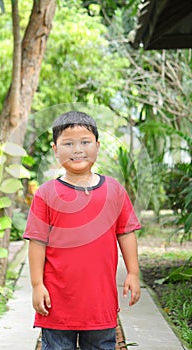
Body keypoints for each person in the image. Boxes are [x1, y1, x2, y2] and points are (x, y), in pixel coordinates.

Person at [23, 111, 141, 350]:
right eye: (68, 143)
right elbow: (37, 241)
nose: (77, 149)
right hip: (56, 303)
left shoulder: (114, 190)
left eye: (85, 142)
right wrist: (37, 285)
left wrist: (133, 273)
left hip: (100, 302)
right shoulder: (46, 194)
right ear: (55, 149)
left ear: (97, 146)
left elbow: (126, 233)